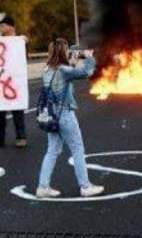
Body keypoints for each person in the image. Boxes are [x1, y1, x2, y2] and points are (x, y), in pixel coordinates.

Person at [35, 37, 104, 198]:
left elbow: (64, 77)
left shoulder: (47, 71)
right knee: (77, 149)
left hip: (52, 115)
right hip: (65, 114)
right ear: (62, 52)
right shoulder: (64, 71)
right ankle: (85, 186)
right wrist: (89, 57)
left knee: (52, 151)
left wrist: (71, 63)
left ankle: (42, 186)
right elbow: (86, 72)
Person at [0, 15, 29, 148]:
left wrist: (22, 41)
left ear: (11, 27)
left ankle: (21, 137)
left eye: (3, 25)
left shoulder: (19, 42)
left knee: (17, 110)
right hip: (0, 82)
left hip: (14, 82)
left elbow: (24, 58)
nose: (1, 28)